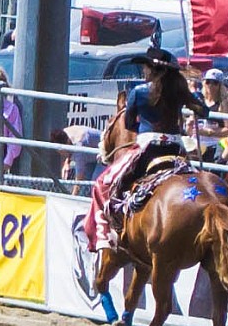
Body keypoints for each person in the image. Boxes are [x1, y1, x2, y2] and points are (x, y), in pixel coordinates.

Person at [86, 48, 201, 247]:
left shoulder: (139, 92)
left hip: (147, 148)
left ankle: (105, 235)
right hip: (176, 148)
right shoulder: (179, 92)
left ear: (152, 69)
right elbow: (204, 111)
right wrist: (189, 101)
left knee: (103, 183)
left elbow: (130, 124)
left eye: (146, 66)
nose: (144, 70)